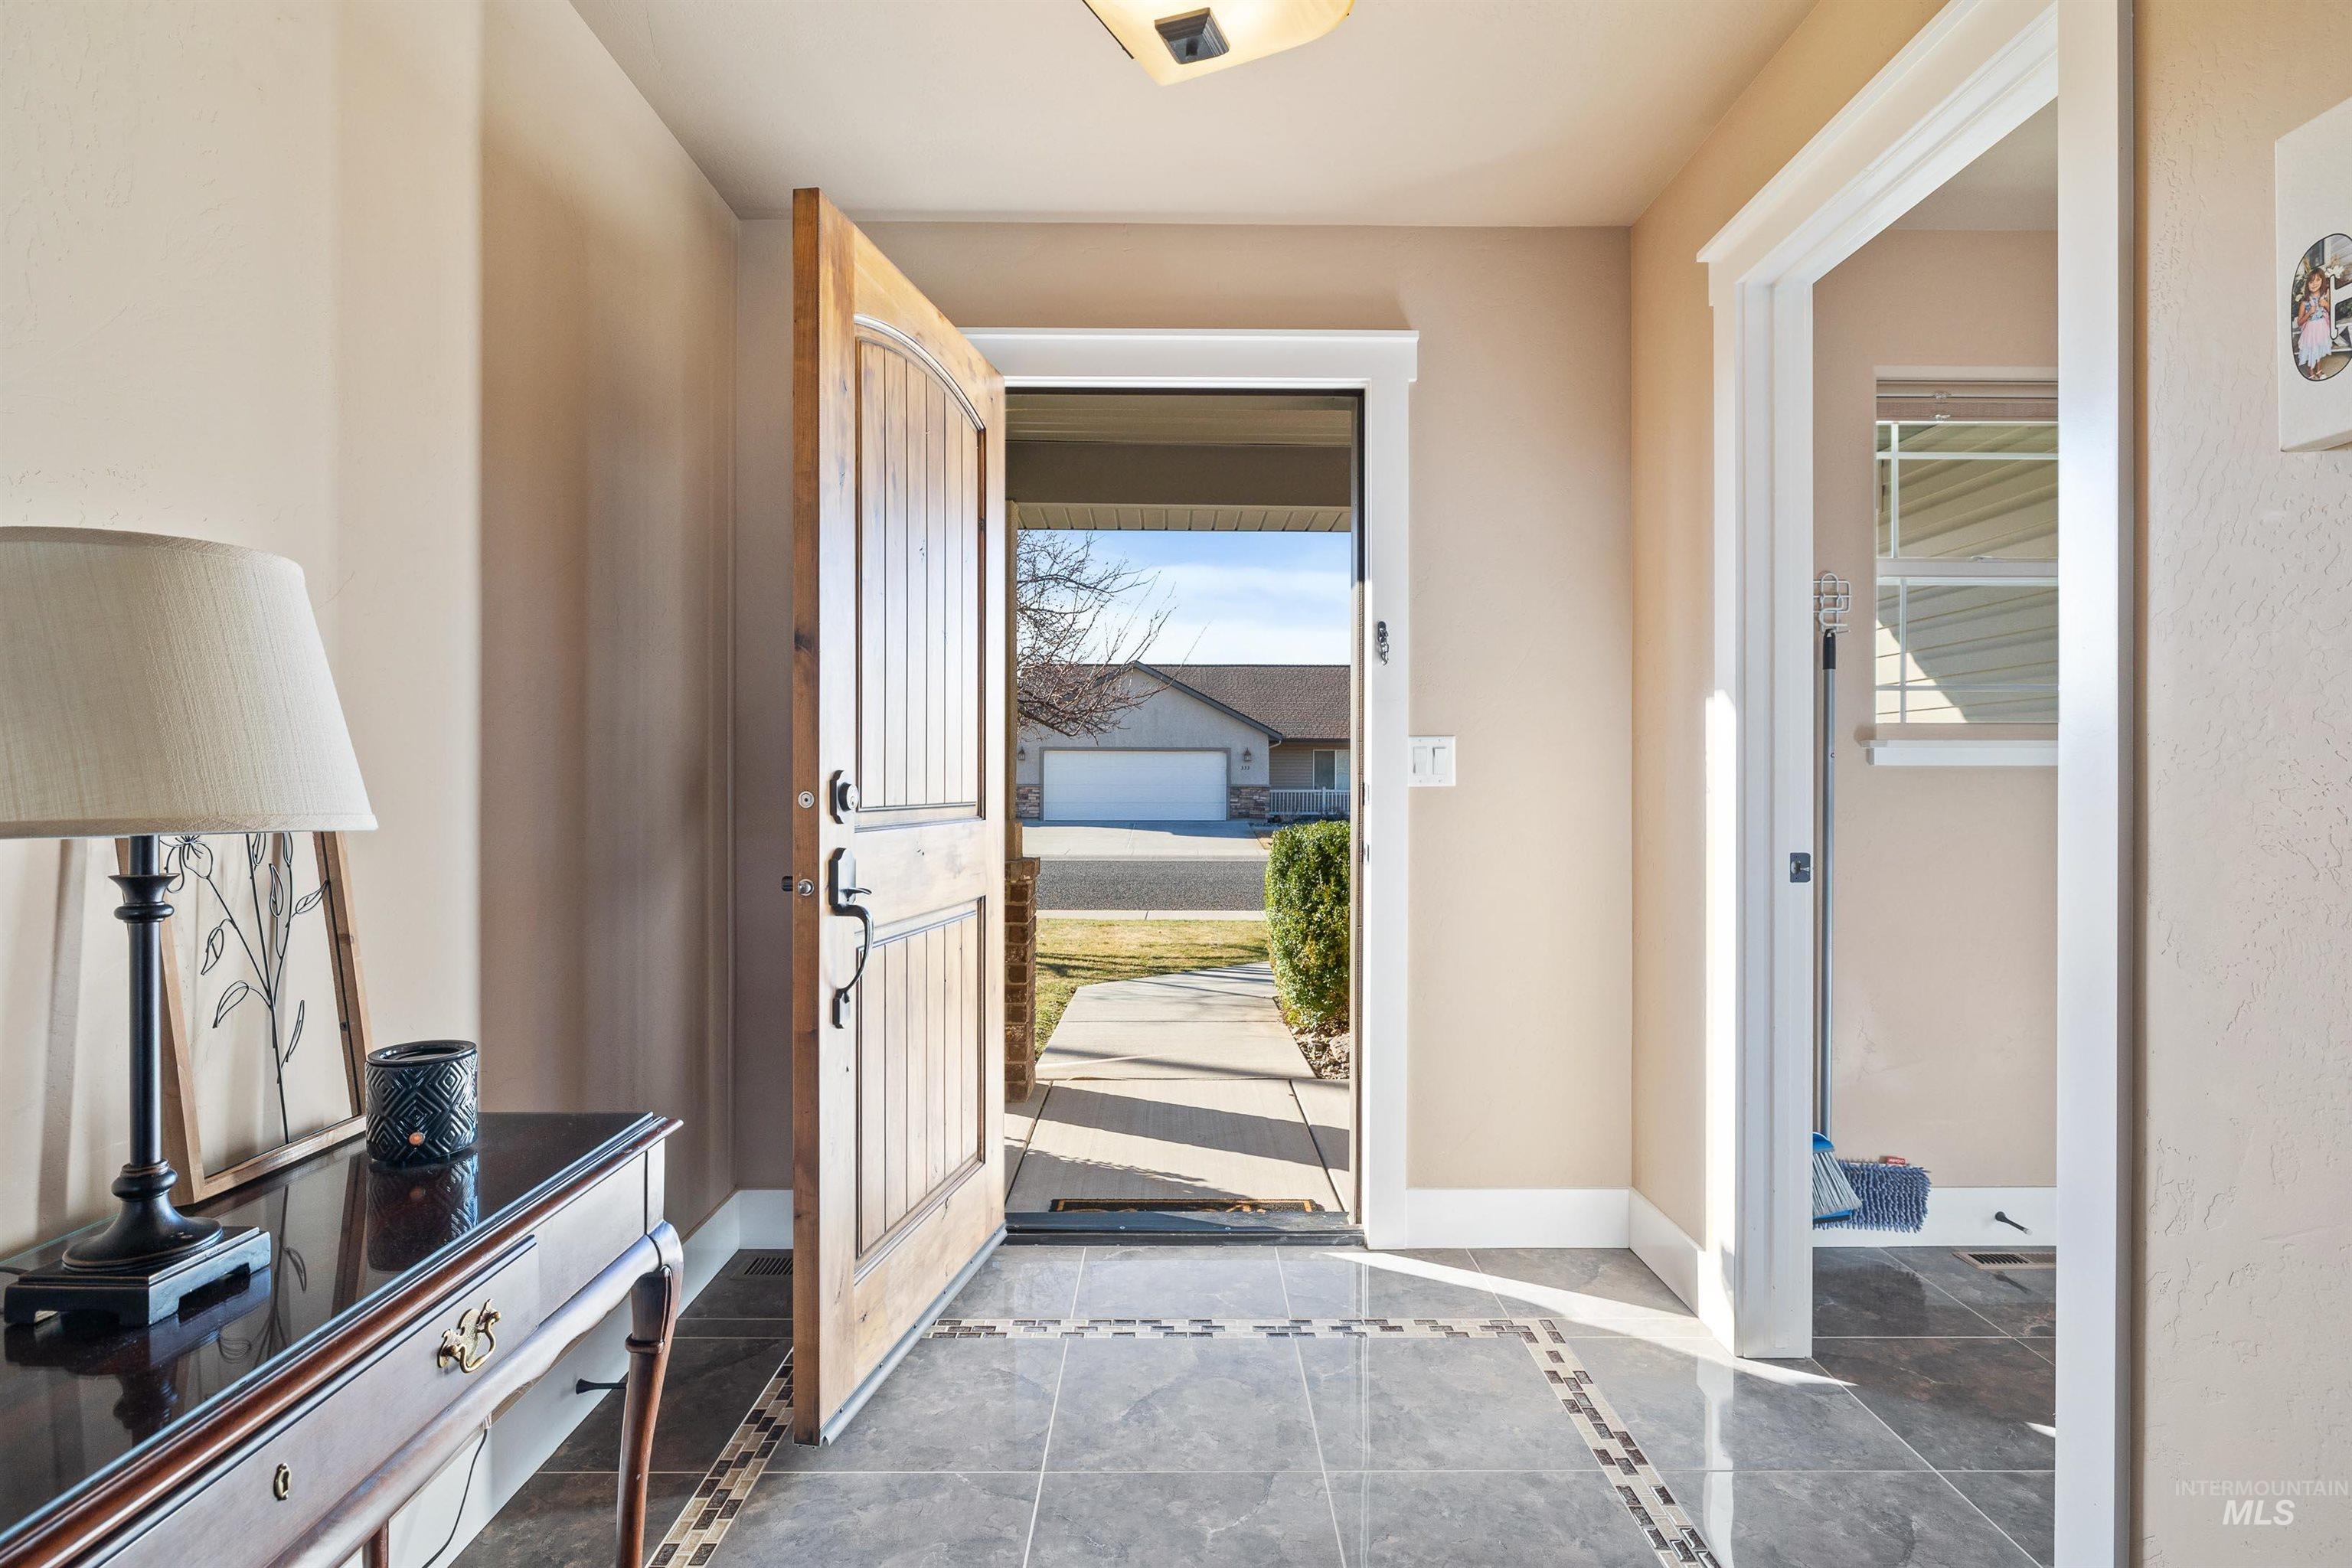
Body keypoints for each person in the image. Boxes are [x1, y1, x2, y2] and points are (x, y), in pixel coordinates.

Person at [2296, 263, 2334, 374]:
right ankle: (2311, 370)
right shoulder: (2304, 302)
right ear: (2307, 284)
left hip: (2322, 328)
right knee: (2312, 349)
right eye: (2311, 281)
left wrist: (2327, 305)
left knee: (2319, 348)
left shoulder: (2325, 297)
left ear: (2322, 281)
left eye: (2318, 280)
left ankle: (2319, 369)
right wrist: (2309, 313)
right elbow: (2299, 322)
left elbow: (2333, 314)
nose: (2314, 284)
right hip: (2311, 331)